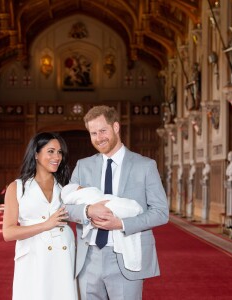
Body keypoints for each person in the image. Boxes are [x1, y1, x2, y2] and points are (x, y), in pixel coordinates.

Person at [65, 105, 169, 300]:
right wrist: (88, 210)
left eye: (103, 130)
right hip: (89, 257)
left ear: (116, 127)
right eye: (93, 133)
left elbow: (161, 212)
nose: (98, 138)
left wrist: (121, 224)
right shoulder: (83, 165)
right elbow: (66, 207)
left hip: (125, 256)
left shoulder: (145, 166)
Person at [2, 132, 78, 300]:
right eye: (51, 151)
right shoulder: (17, 187)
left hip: (63, 254)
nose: (56, 157)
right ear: (36, 154)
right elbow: (8, 233)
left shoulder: (66, 186)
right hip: (33, 257)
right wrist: (46, 225)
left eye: (59, 152)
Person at [61, 183, 143, 271]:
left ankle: (133, 208)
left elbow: (158, 211)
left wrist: (121, 224)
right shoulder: (80, 172)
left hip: (120, 254)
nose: (84, 188)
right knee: (116, 206)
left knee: (121, 205)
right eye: (80, 188)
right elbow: (64, 209)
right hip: (88, 254)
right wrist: (88, 210)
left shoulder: (146, 169)